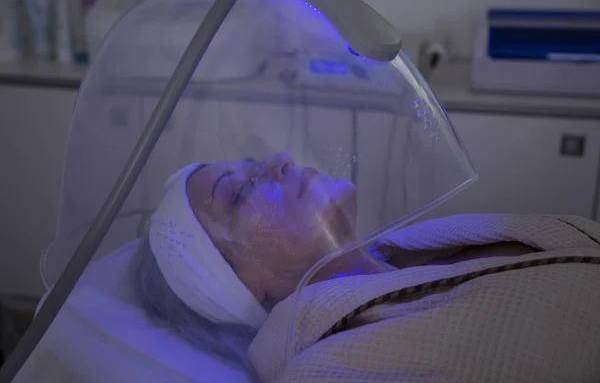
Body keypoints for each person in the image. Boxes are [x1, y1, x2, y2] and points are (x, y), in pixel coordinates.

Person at [131, 152, 600, 383]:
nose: (279, 160)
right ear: (238, 283)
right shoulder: (329, 370)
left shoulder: (403, 253)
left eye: (257, 163)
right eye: (243, 191)